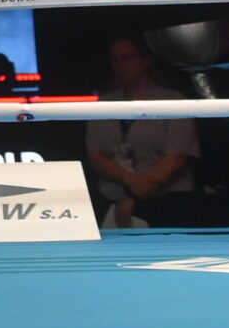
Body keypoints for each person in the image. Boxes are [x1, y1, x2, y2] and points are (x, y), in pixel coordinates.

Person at [85, 34, 200, 227]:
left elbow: (176, 158)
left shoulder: (173, 101)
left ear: (145, 60)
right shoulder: (103, 104)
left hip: (166, 201)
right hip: (112, 201)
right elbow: (95, 155)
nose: (120, 64)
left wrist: (133, 195)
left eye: (127, 57)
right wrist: (130, 182)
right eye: (115, 59)